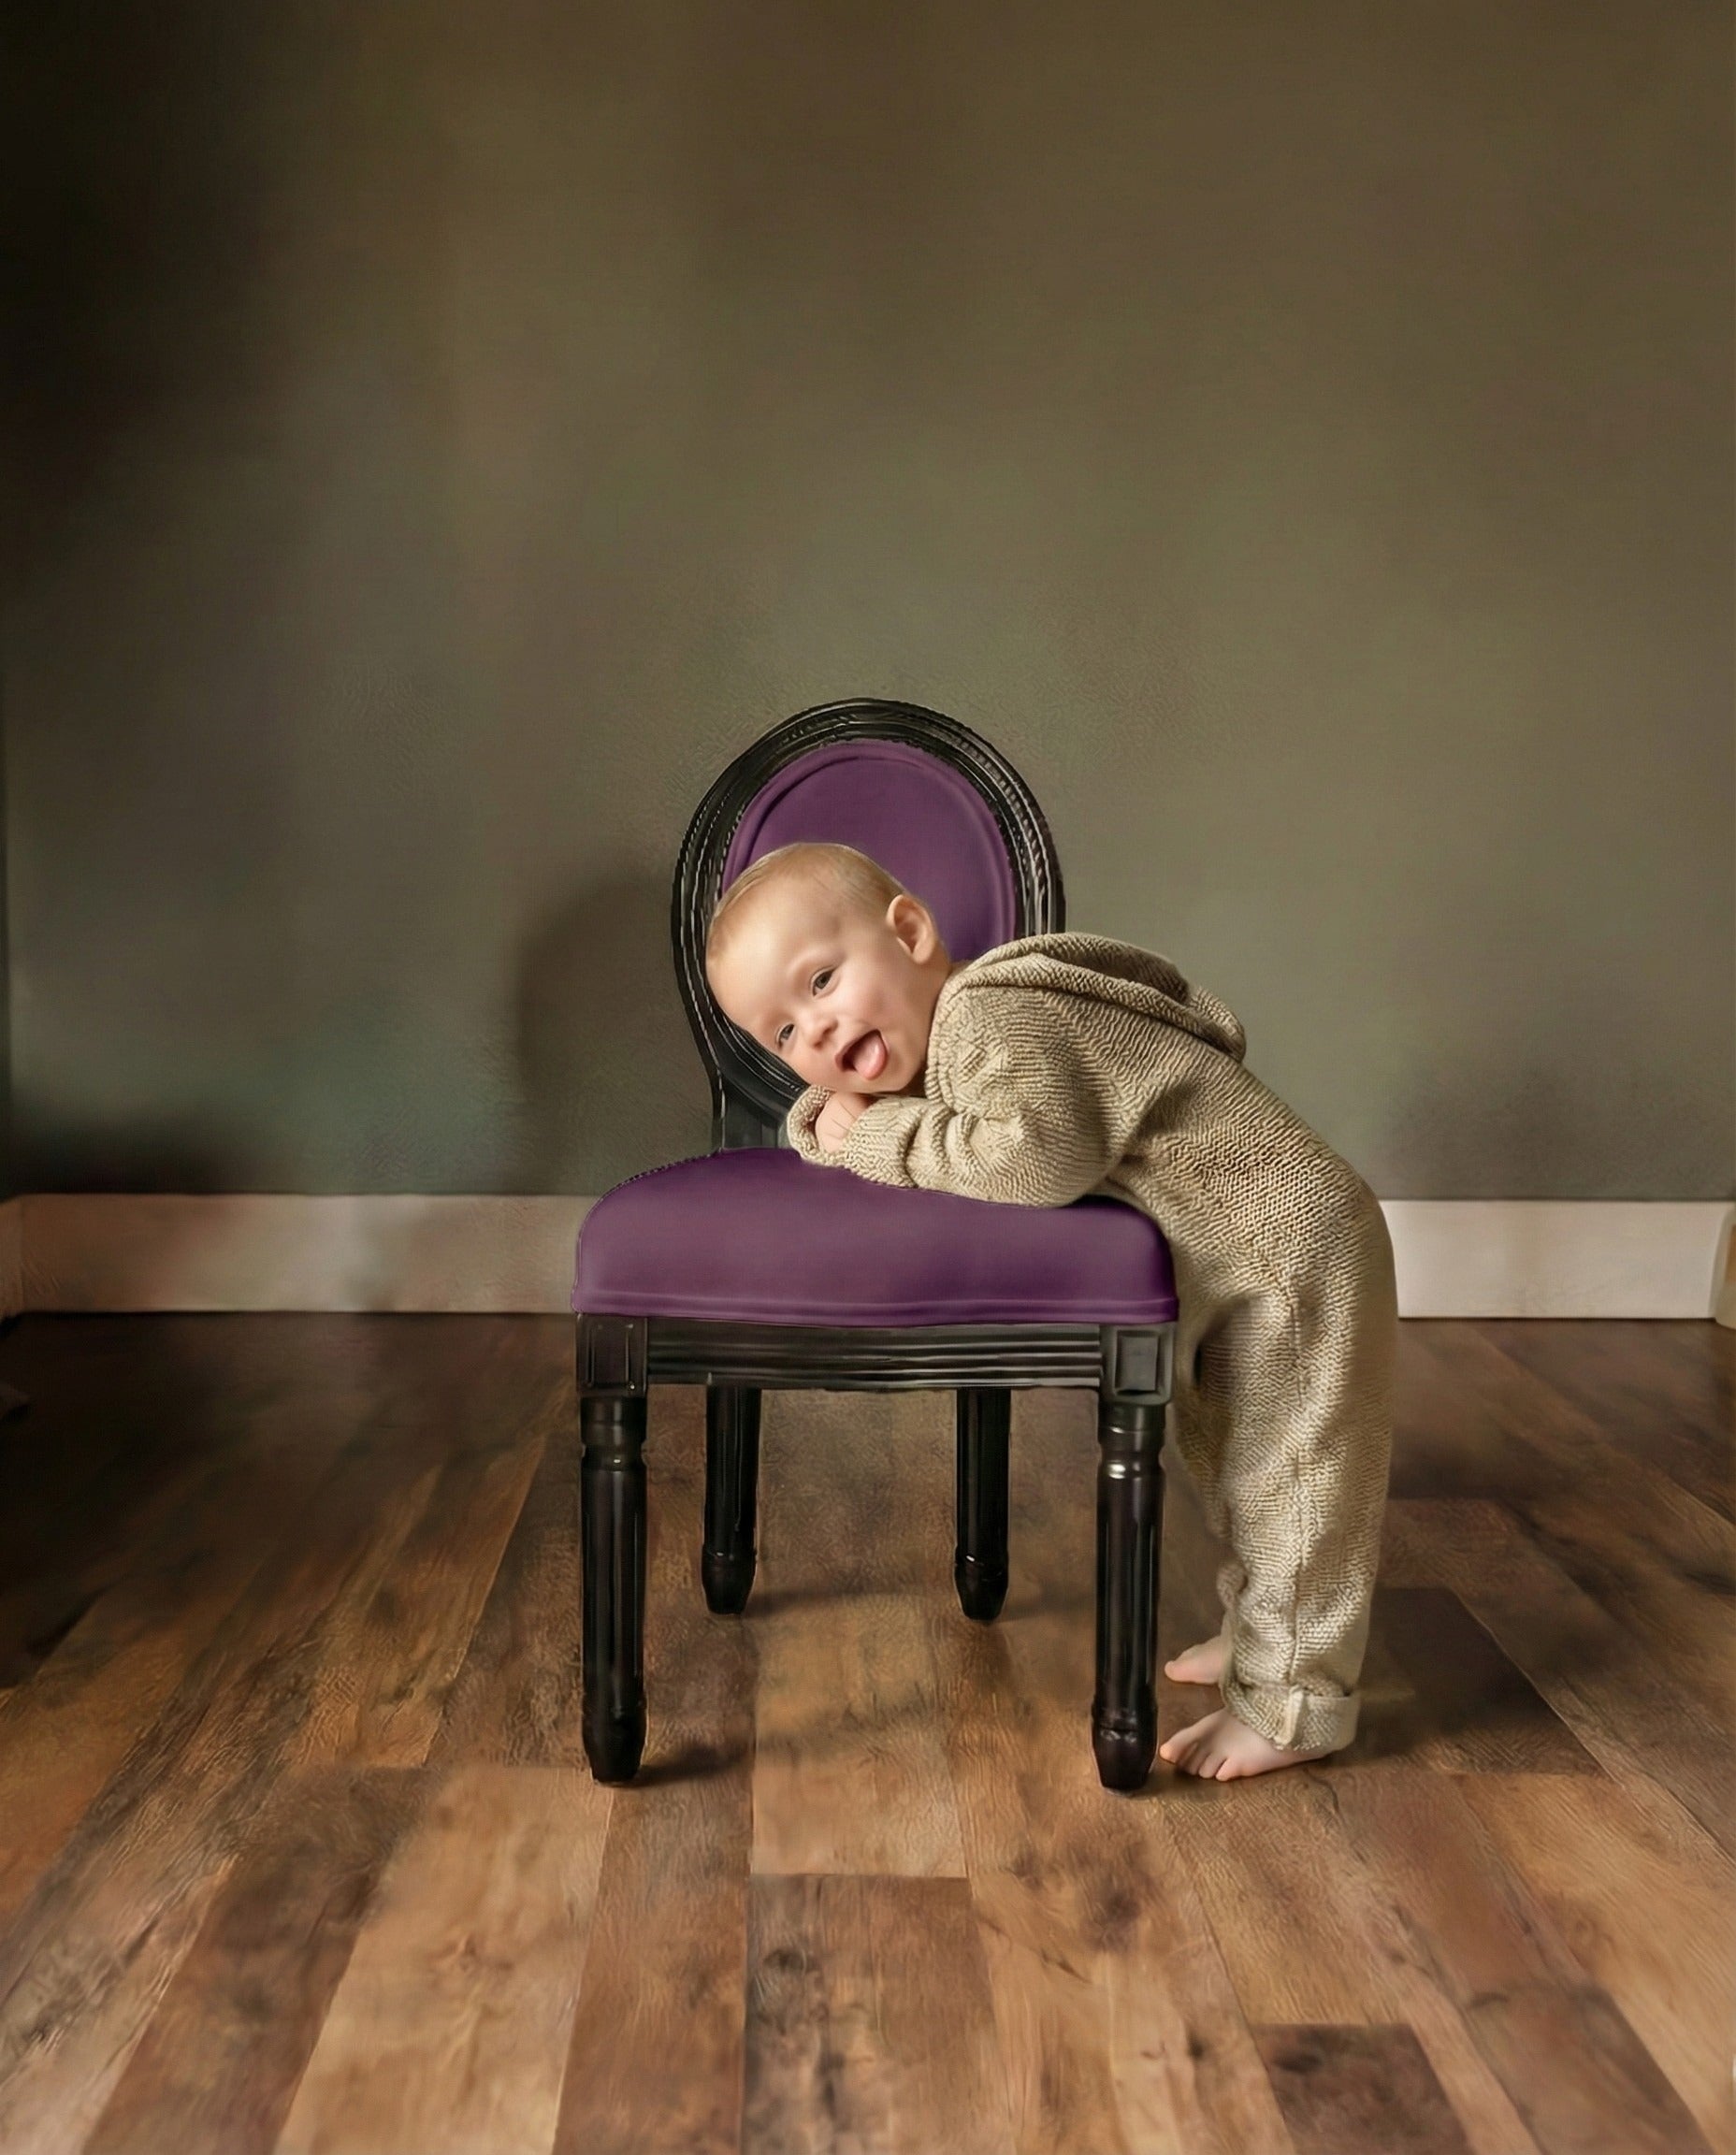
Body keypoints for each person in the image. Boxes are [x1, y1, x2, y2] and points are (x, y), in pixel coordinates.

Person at [704, 840, 1397, 1782]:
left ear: (910, 933)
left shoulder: (992, 1016)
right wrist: (830, 1123)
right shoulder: (936, 1043)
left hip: (1294, 1246)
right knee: (1234, 1458)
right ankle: (1258, 1637)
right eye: (784, 1033)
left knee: (1297, 1475)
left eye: (822, 981)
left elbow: (1036, 1160)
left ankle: (1295, 1705)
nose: (816, 1031)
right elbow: (857, 1120)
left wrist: (875, 1134)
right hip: (1233, 1256)